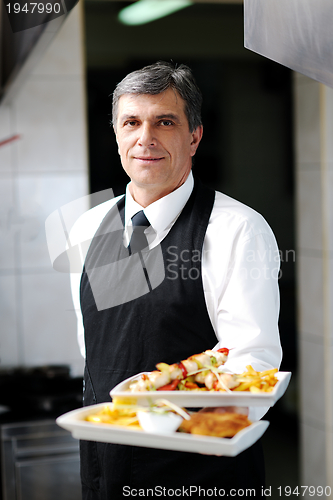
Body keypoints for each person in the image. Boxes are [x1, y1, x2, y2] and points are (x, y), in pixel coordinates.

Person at [70, 61, 282, 499]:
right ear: (116, 135)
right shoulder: (87, 228)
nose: (145, 137)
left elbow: (255, 361)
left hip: (200, 472)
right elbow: (94, 353)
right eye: (131, 122)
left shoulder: (237, 228)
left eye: (164, 121)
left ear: (194, 137)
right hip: (105, 467)